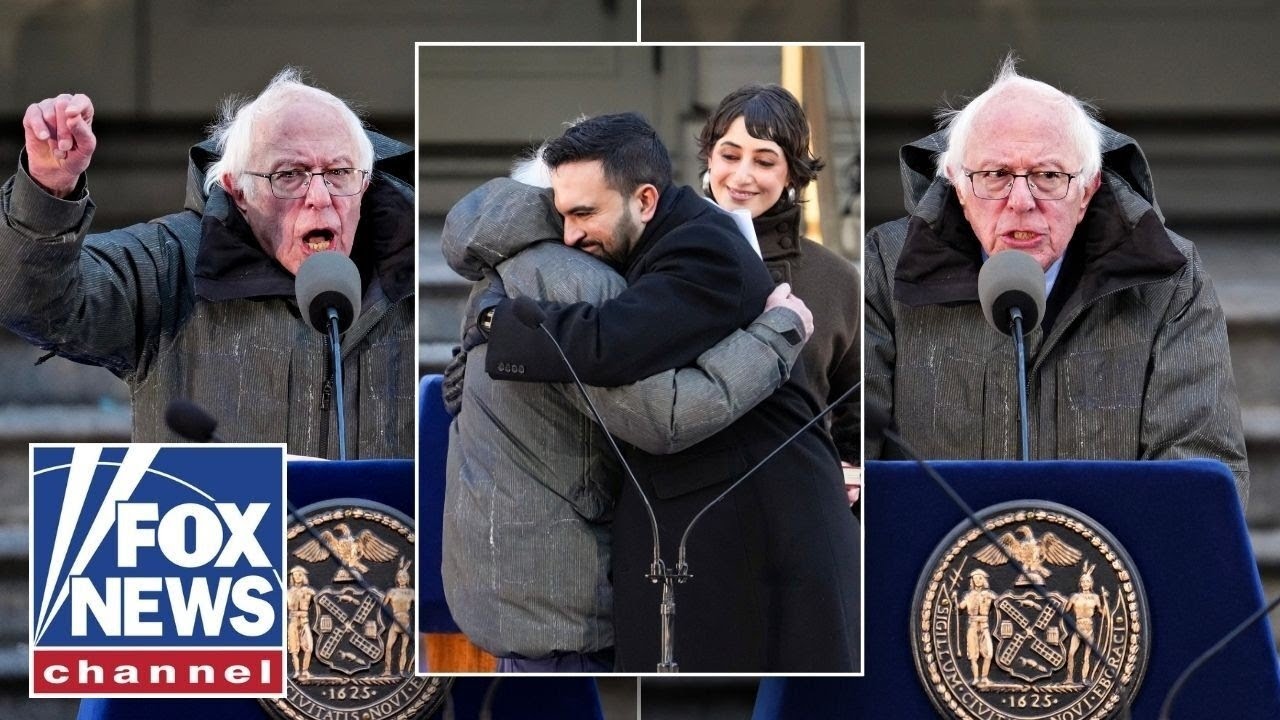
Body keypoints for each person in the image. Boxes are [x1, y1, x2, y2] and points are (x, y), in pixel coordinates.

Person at [473, 113, 861, 672]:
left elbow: (608, 346)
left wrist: (494, 326)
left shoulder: (705, 251)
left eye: (585, 214)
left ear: (646, 201)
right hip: (713, 527)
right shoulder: (660, 241)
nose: (570, 236)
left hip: (770, 538)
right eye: (562, 215)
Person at [864, 56, 1249, 499]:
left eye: (1049, 176)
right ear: (958, 186)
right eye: (995, 175)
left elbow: (1199, 478)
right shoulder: (885, 268)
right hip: (937, 565)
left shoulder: (1168, 279)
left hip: (1107, 566)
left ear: (1088, 189)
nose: (1022, 201)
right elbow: (856, 459)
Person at [0, 68, 415, 457]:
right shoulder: (172, 262)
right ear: (238, 193)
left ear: (365, 183)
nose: (320, 197)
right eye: (290, 175)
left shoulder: (408, 277)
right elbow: (31, 301)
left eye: (340, 172)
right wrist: (47, 192)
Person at [697, 83, 862, 504]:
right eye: (730, 156)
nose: (742, 175)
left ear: (791, 173)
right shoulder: (661, 261)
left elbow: (859, 408)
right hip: (692, 505)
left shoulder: (836, 278)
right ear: (709, 160)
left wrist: (851, 468)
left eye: (765, 161)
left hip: (802, 506)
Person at [955, 568, 997, 687]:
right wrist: (954, 601)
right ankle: (975, 678)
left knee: (988, 653)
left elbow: (1001, 602)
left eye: (979, 578)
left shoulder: (990, 594)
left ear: (983, 580)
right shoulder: (968, 595)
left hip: (984, 625)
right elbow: (961, 606)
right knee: (973, 655)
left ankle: (984, 678)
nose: (977, 580)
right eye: (975, 578)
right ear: (972, 581)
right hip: (972, 625)